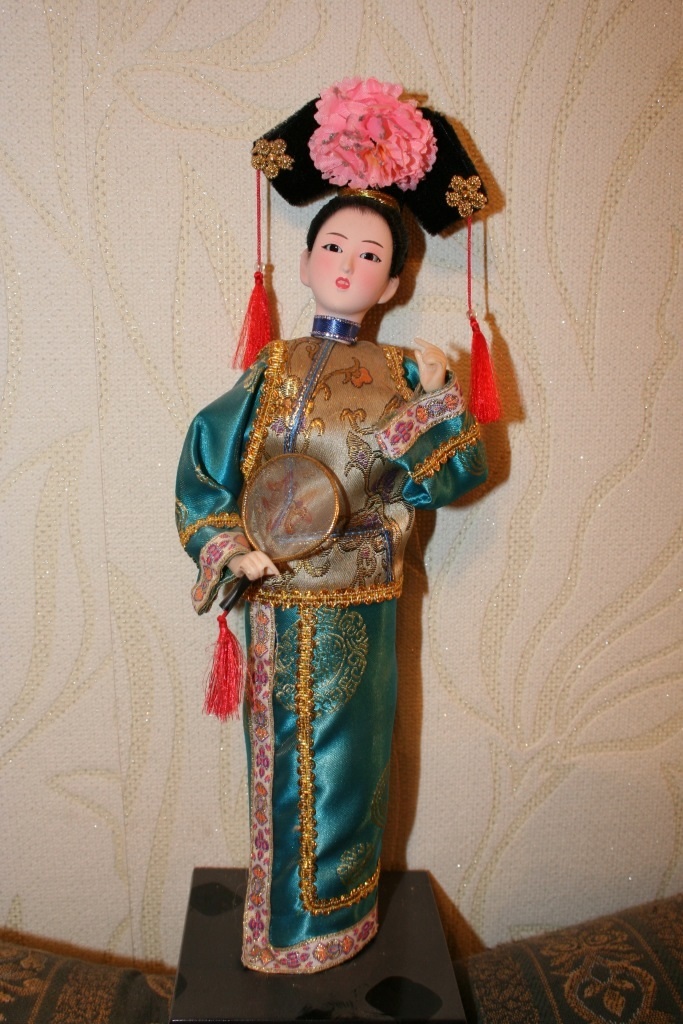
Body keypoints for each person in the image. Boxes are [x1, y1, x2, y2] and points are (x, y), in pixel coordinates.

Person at [175, 189, 489, 973]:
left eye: (371, 254)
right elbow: (208, 461)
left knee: (347, 766)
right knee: (281, 762)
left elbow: (450, 478)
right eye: (334, 246)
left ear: (392, 285)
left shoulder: (400, 370)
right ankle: (281, 925)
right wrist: (228, 549)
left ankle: (333, 920)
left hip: (359, 601)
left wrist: (436, 397)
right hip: (277, 600)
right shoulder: (273, 366)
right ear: (306, 262)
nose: (349, 263)